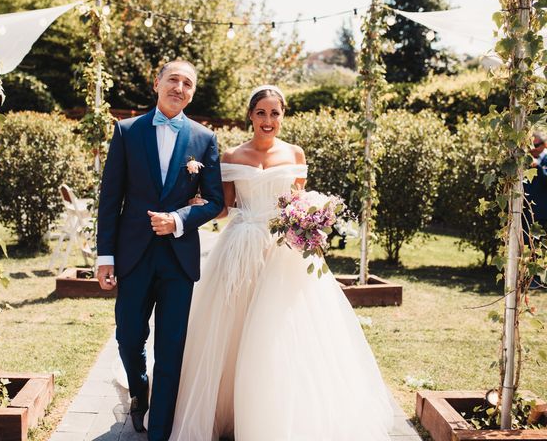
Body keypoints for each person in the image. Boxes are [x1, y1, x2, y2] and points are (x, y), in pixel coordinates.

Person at [170, 85, 393, 440]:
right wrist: (191, 206)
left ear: (283, 116)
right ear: (250, 115)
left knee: (280, 329)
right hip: (240, 248)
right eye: (261, 112)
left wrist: (312, 221)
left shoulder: (295, 153)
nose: (268, 120)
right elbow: (225, 208)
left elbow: (297, 202)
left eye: (275, 113)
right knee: (230, 328)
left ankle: (275, 416)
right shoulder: (230, 155)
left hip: (284, 251)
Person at [96, 60, 224, 441]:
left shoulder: (204, 139)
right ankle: (139, 392)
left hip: (178, 260)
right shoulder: (126, 131)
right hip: (133, 255)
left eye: (187, 83)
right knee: (129, 338)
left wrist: (179, 219)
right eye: (173, 80)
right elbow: (110, 199)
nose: (179, 88)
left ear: (191, 92)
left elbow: (215, 201)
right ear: (157, 83)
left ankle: (159, 431)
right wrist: (106, 257)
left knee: (171, 348)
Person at [523, 132, 547, 289]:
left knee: (542, 248)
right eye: (531, 145)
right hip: (527, 212)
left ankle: (541, 280)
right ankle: (527, 279)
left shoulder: (544, 160)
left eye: (536, 145)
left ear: (544, 145)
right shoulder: (525, 160)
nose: (533, 148)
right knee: (527, 246)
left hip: (544, 212)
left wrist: (537, 166)